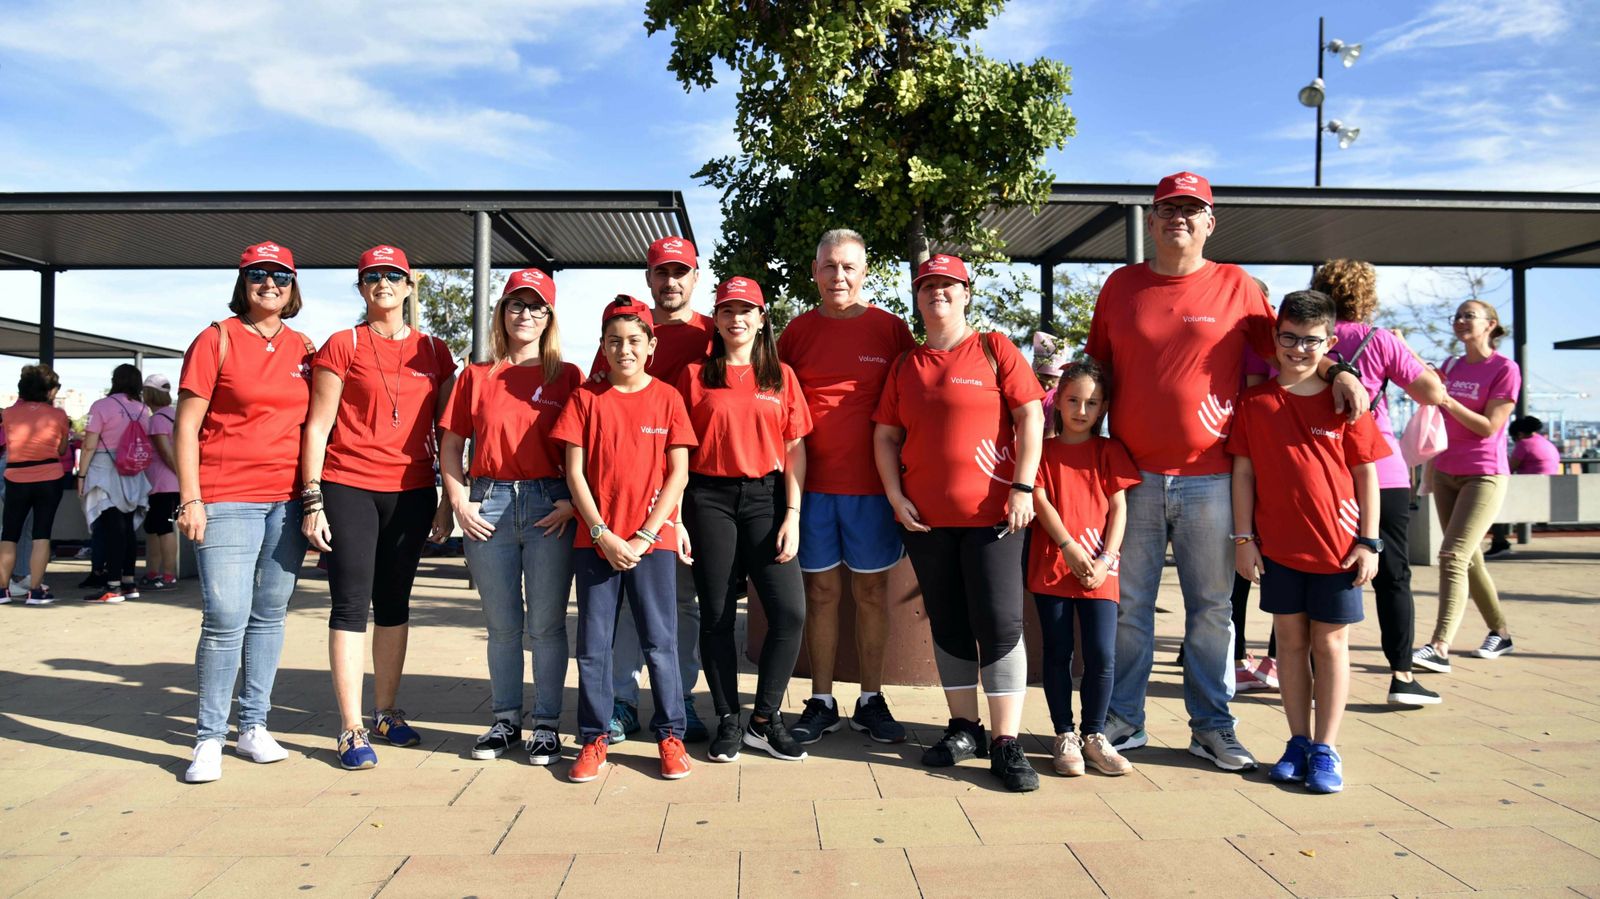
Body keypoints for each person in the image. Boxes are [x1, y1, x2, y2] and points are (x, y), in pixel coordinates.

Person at [1084, 172, 1366, 772]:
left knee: (1211, 610)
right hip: (1132, 477)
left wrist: (1342, 371)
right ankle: (1124, 721)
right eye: (1167, 209)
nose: (1178, 218)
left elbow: (1294, 349)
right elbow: (1097, 375)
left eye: (1192, 209)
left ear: (1210, 223)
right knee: (1129, 606)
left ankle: (1211, 726)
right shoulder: (1120, 286)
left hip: (1214, 478)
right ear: (1152, 221)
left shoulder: (1237, 286)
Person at [873, 254, 1045, 793]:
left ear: (967, 293)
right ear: (917, 298)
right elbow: (884, 435)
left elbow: (1031, 416)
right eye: (928, 287)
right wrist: (895, 497)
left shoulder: (995, 349)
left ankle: (1006, 742)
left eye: (948, 286)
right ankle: (963, 727)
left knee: (998, 625)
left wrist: (1022, 487)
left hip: (993, 516)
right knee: (947, 625)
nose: (937, 294)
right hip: (926, 522)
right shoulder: (906, 364)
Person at [301, 245, 458, 770]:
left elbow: (446, 433)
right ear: (362, 288)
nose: (383, 283)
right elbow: (317, 426)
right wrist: (312, 497)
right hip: (349, 486)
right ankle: (350, 728)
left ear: (411, 285)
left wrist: (442, 500)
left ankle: (387, 711)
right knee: (350, 603)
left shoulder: (435, 352)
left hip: (412, 491)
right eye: (372, 277)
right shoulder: (342, 344)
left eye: (393, 275)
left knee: (394, 602)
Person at [1231, 290, 1387, 794]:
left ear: (1331, 341)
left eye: (1311, 340)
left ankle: (1326, 747)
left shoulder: (1346, 399)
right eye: (1290, 338)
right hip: (1277, 548)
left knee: (1330, 644)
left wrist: (1369, 541)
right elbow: (1243, 474)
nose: (1300, 349)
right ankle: (1297, 741)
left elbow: (1367, 475)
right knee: (1291, 647)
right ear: (1275, 339)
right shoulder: (1255, 403)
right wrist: (1243, 538)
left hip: (1339, 549)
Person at [175, 240, 315, 783]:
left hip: (286, 501)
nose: (270, 284)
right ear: (243, 282)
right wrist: (191, 498)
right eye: (259, 275)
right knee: (226, 617)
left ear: (293, 285)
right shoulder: (216, 339)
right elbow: (186, 424)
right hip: (227, 495)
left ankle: (253, 725)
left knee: (269, 615)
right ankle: (208, 738)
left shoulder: (305, 346)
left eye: (280, 276)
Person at [777, 229, 917, 745]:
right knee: (821, 592)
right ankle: (820, 699)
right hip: (810, 490)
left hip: (874, 491)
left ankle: (870, 699)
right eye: (829, 267)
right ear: (815, 272)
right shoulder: (796, 333)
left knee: (873, 592)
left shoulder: (892, 330)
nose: (839, 276)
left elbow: (916, 401)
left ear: (865, 271)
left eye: (849, 267)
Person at [440, 268, 582, 765]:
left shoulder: (567, 376)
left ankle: (546, 725)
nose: (526, 314)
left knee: (545, 624)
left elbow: (584, 450)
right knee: (501, 625)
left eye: (536, 307)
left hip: (551, 505)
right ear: (502, 313)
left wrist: (573, 503)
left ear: (549, 318)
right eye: (517, 305)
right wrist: (459, 502)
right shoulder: (477, 376)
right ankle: (505, 721)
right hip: (490, 503)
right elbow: (452, 445)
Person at [553, 295, 698, 784]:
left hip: (650, 545)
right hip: (594, 543)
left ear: (651, 345)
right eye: (614, 341)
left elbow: (677, 475)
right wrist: (601, 533)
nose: (624, 349)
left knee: (661, 643)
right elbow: (574, 474)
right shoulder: (584, 399)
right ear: (603, 346)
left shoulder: (669, 399)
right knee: (593, 645)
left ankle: (670, 736)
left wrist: (643, 535)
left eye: (634, 340)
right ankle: (594, 738)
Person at [675, 277, 813, 762]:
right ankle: (729, 718)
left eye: (746, 310)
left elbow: (795, 451)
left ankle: (764, 718)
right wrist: (676, 517)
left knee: (790, 612)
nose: (737, 318)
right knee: (714, 615)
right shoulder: (693, 376)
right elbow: (673, 452)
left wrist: (793, 513)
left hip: (767, 498)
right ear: (716, 318)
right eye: (728, 310)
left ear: (761, 318)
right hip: (707, 497)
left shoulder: (781, 377)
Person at [591, 236, 714, 744]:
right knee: (623, 600)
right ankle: (622, 699)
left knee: (681, 603)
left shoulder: (714, 333)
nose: (672, 282)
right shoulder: (628, 330)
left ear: (695, 277)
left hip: (698, 485)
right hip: (629, 494)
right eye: (662, 272)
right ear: (649, 277)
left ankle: (679, 697)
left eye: (680, 272)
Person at [1309, 259, 1448, 706]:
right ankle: (1402, 677)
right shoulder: (1381, 340)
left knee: (1313, 568)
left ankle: (1308, 671)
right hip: (1382, 470)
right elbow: (1431, 393)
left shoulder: (1309, 343)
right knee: (1394, 577)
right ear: (1368, 296)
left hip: (1323, 471)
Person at [1027, 357, 1139, 777]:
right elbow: (1039, 500)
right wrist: (1070, 548)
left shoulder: (1110, 451)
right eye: (1072, 400)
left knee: (1102, 654)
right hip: (1053, 565)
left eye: (1091, 403)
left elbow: (1119, 509)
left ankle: (1094, 735)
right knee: (1057, 653)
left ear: (1104, 408)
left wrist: (1105, 559)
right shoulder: (1043, 451)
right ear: (1059, 402)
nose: (1080, 410)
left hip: (1100, 570)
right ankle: (1063, 734)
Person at [1411, 300, 1519, 673]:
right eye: (1456, 315)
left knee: (1452, 556)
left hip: (1484, 473)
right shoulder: (1451, 366)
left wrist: (1448, 400)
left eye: (1468, 315)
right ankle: (1500, 633)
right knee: (1468, 558)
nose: (1459, 321)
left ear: (1490, 325)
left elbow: (1489, 427)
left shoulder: (1505, 369)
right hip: (1444, 470)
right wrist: (1400, 345)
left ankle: (1439, 646)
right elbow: (1422, 384)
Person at [79, 363, 153, 603]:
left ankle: (112, 585)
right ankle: (129, 582)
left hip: (105, 469)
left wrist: (81, 475)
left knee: (112, 528)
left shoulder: (101, 406)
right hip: (134, 470)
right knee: (128, 528)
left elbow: (89, 444)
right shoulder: (143, 409)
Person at [1, 364, 69, 605]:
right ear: (48, 390)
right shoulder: (58, 415)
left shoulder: (8, 413)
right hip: (49, 476)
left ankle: (2, 590)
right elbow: (62, 449)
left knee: (9, 534)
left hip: (16, 477)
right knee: (41, 534)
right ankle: (35, 590)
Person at [1486, 416, 1561, 558]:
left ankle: (1499, 542)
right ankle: (1501, 540)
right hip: (1548, 488)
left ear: (1519, 434)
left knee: (1492, 503)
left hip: (1531, 489)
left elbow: (1508, 468)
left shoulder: (1524, 444)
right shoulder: (1545, 442)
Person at [140, 374, 180, 590]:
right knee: (155, 528)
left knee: (163, 529)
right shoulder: (175, 415)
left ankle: (167, 574)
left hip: (161, 484)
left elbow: (165, 453)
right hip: (172, 484)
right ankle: (155, 571)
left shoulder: (156, 420)